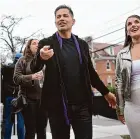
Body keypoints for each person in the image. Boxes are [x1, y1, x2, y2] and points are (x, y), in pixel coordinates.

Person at [30, 5, 116, 139]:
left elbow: (90, 73)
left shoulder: (82, 44)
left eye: (65, 16)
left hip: (82, 106)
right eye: (58, 17)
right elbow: (34, 67)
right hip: (58, 106)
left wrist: (105, 92)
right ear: (55, 22)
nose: (61, 19)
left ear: (73, 21)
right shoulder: (47, 43)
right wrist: (40, 57)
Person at [13, 39, 48, 139]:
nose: (37, 45)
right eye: (34, 43)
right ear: (29, 46)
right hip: (28, 100)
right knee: (30, 131)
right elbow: (16, 78)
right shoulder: (22, 60)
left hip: (43, 101)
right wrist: (31, 77)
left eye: (38, 44)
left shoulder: (46, 61)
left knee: (42, 130)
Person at [1, 53, 25, 139]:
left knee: (8, 120)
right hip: (20, 97)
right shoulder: (23, 69)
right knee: (20, 120)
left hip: (8, 97)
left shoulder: (5, 69)